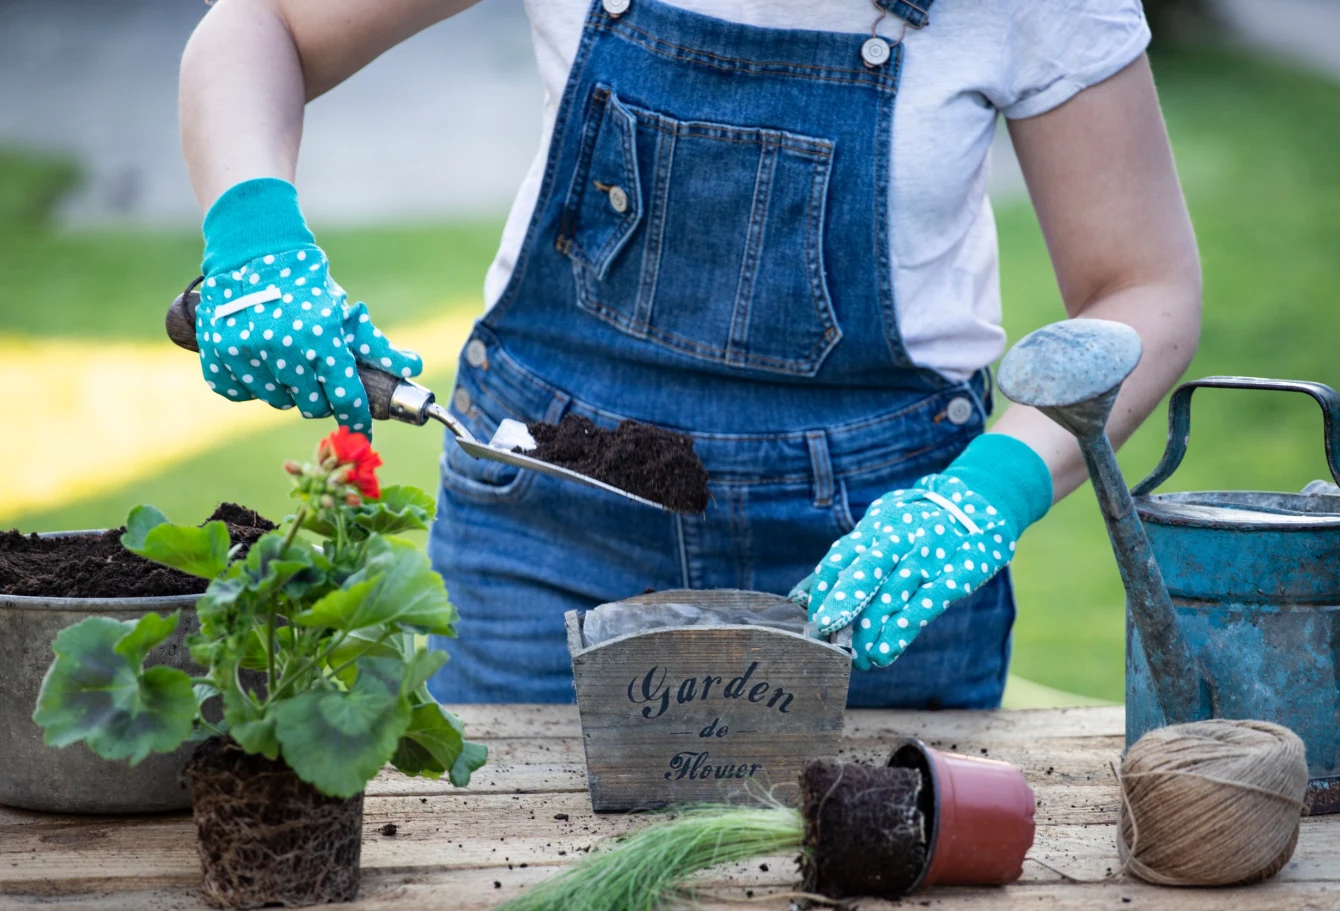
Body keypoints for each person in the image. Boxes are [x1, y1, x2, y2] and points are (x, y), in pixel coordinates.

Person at [180, 0, 1201, 707]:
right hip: (542, 534)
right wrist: (254, 239)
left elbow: (1142, 289)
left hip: (875, 564)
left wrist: (991, 490)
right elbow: (261, 27)